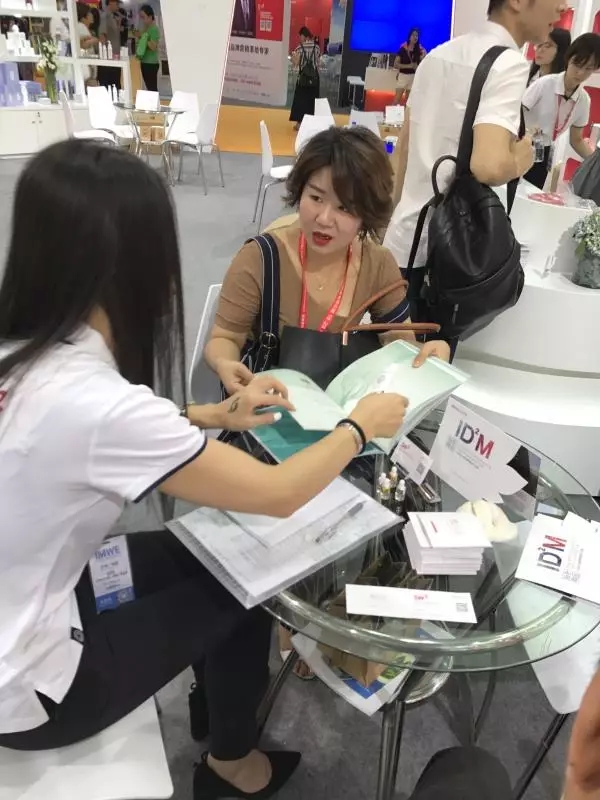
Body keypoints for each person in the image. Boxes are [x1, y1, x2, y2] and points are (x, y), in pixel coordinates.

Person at [0, 140, 408, 800]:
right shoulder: (102, 401)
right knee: (250, 578)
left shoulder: (25, 351)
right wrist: (359, 426)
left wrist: (212, 414)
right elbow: (278, 493)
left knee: (206, 546)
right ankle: (230, 762)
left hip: (43, 593)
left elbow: (96, 436)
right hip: (34, 684)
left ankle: (220, 721)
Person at [205, 125, 450, 679]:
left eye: (345, 208)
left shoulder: (376, 264)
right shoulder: (262, 257)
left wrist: (427, 354)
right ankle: (296, 618)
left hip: (345, 420)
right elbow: (223, 339)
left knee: (397, 495)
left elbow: (399, 344)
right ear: (299, 191)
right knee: (309, 503)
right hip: (269, 421)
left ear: (366, 216)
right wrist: (226, 366)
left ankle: (339, 619)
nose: (324, 219)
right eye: (316, 197)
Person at [383, 0, 565, 333]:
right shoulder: (508, 62)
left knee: (393, 352)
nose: (563, 7)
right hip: (449, 251)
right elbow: (488, 166)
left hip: (403, 240)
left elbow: (404, 150)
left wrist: (386, 224)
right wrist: (522, 157)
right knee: (430, 355)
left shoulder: (437, 55)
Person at [523, 32, 600, 189]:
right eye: (577, 64)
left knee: (529, 195)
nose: (580, 73)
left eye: (588, 68)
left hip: (542, 153)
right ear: (568, 58)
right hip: (521, 144)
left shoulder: (583, 100)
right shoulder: (544, 84)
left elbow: (576, 140)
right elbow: (515, 115)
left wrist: (595, 162)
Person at [289, 27, 321, 131]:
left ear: (304, 36)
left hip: (303, 77)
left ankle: (299, 124)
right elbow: (318, 63)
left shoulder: (299, 48)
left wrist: (293, 57)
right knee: (313, 101)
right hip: (314, 78)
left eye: (300, 36)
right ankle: (311, 123)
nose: (300, 38)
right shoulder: (317, 47)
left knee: (301, 100)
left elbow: (295, 63)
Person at [394, 27, 426, 104]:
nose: (415, 37)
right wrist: (409, 66)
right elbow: (396, 64)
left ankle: (406, 112)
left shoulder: (419, 50)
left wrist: (424, 54)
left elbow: (422, 63)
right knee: (396, 101)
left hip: (413, 77)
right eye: (413, 35)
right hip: (403, 76)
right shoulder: (403, 48)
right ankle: (391, 112)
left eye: (417, 36)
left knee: (408, 103)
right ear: (409, 36)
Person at [98, 0, 122, 90]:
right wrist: (104, 55)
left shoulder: (112, 17)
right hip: (109, 58)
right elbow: (102, 36)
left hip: (115, 56)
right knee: (110, 85)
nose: (118, 6)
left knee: (116, 84)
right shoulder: (105, 17)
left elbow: (114, 35)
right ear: (111, 2)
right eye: (117, 3)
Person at [136, 4, 160, 92]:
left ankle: (155, 101)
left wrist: (143, 36)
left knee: (152, 89)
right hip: (144, 62)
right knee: (149, 89)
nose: (142, 20)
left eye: (143, 17)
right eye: (141, 17)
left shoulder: (154, 29)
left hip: (151, 64)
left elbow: (153, 47)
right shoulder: (146, 29)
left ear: (150, 17)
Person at [77, 2, 98, 84]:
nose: (91, 15)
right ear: (83, 17)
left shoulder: (81, 27)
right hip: (87, 68)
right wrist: (94, 40)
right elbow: (83, 45)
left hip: (88, 67)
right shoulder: (81, 26)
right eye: (89, 13)